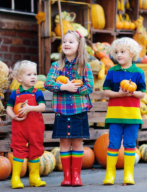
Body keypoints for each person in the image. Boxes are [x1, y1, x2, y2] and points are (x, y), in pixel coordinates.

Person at [44, 30, 94, 187]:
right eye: (64, 41)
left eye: (71, 42)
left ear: (79, 46)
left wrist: (75, 89)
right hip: (62, 111)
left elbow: (89, 86)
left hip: (79, 112)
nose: (66, 44)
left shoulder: (84, 66)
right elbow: (48, 84)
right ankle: (67, 177)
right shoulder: (56, 66)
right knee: (64, 143)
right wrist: (64, 86)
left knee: (78, 143)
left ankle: (76, 177)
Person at [102, 37, 146, 185]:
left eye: (122, 51)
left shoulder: (138, 72)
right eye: (116, 52)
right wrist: (119, 94)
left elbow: (142, 93)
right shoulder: (112, 71)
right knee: (113, 143)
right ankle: (110, 174)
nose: (119, 54)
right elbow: (106, 91)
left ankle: (128, 174)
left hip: (132, 116)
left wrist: (132, 92)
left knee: (130, 144)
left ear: (132, 54)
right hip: (115, 115)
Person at [6, 60, 46, 189]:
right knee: (18, 150)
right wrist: (14, 117)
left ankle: (34, 177)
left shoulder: (37, 92)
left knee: (35, 149)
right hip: (20, 127)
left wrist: (30, 108)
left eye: (35, 74)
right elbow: (8, 108)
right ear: (19, 78)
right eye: (29, 74)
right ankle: (15, 177)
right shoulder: (15, 93)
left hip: (35, 128)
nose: (33, 77)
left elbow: (42, 107)